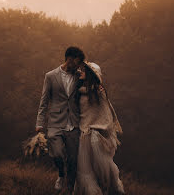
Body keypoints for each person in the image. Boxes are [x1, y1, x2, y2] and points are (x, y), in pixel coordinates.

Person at [35, 46, 85, 194]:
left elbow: (90, 89)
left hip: (74, 123)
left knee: (73, 160)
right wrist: (39, 123)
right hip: (55, 122)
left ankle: (69, 189)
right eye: (77, 62)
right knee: (56, 153)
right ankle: (61, 175)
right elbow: (44, 101)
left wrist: (96, 85)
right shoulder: (50, 76)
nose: (78, 65)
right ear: (69, 59)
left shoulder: (79, 76)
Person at [74, 61, 125, 195]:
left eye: (84, 70)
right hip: (82, 135)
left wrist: (99, 129)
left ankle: (111, 190)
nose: (80, 71)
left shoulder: (98, 92)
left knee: (102, 169)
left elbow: (106, 114)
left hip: (95, 137)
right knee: (84, 170)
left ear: (91, 74)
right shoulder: (78, 91)